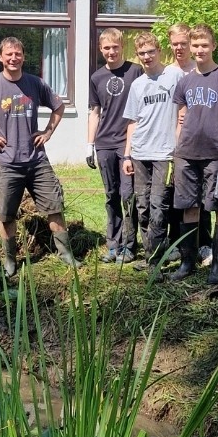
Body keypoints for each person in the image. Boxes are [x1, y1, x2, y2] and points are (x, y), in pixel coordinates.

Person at [0, 36, 76, 276]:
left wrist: (48, 131)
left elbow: (59, 106)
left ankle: (66, 254)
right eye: (9, 54)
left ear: (23, 56)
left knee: (54, 207)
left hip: (37, 160)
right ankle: (10, 261)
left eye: (18, 54)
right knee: (5, 214)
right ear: (1, 57)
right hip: (6, 162)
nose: (14, 58)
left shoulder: (36, 83)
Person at [170, 24, 218, 284]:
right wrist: (176, 151)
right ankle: (187, 262)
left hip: (216, 154)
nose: (199, 50)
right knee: (189, 206)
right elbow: (181, 118)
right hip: (186, 154)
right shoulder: (185, 82)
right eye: (195, 45)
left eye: (204, 45)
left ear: (213, 46)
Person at [121, 32, 184, 267]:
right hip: (140, 153)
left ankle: (155, 260)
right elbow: (132, 121)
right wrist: (127, 155)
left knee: (159, 205)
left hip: (164, 153)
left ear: (159, 51)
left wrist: (179, 145)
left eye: (150, 51)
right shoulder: (137, 85)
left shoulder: (174, 76)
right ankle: (153, 253)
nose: (147, 57)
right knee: (143, 206)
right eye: (142, 53)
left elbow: (184, 111)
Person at [87, 28, 142, 262]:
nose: (112, 51)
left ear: (122, 47)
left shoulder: (135, 71)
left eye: (115, 47)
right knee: (111, 195)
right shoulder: (96, 77)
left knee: (128, 195)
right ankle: (113, 244)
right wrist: (89, 144)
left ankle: (129, 245)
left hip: (128, 143)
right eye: (107, 48)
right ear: (101, 50)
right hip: (105, 143)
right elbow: (95, 112)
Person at [166, 22, 212, 265]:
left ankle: (204, 243)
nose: (180, 48)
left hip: (201, 143)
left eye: (184, 43)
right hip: (174, 141)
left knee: (202, 197)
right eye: (175, 44)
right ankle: (177, 243)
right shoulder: (166, 72)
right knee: (177, 196)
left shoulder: (200, 69)